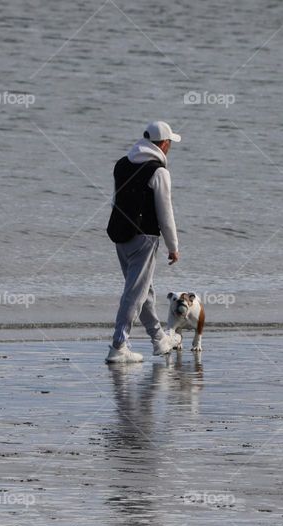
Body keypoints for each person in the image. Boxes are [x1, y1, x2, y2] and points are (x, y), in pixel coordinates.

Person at [105, 121, 183, 364]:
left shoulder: (122, 164)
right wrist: (173, 246)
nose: (170, 147)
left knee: (142, 289)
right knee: (135, 293)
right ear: (163, 144)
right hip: (145, 238)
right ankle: (118, 345)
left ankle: (159, 339)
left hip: (120, 234)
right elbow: (165, 212)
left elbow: (115, 200)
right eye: (170, 143)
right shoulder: (159, 172)